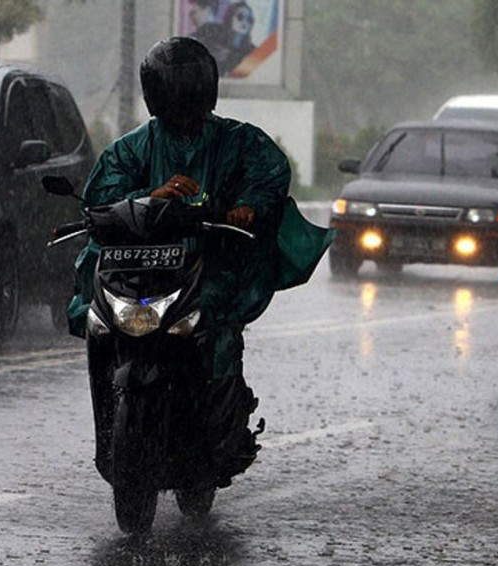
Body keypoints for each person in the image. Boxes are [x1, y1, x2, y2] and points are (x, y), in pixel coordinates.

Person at [68, 36, 333, 482]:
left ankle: (220, 422)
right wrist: (151, 197)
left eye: (188, 91)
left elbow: (269, 172)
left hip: (208, 265)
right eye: (172, 92)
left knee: (215, 324)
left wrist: (247, 206)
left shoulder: (237, 141)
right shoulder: (132, 148)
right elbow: (102, 196)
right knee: (100, 320)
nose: (181, 102)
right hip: (139, 270)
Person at [214, 1, 257, 76]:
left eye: (249, 19)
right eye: (240, 17)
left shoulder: (253, 52)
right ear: (230, 18)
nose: (245, 22)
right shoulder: (217, 46)